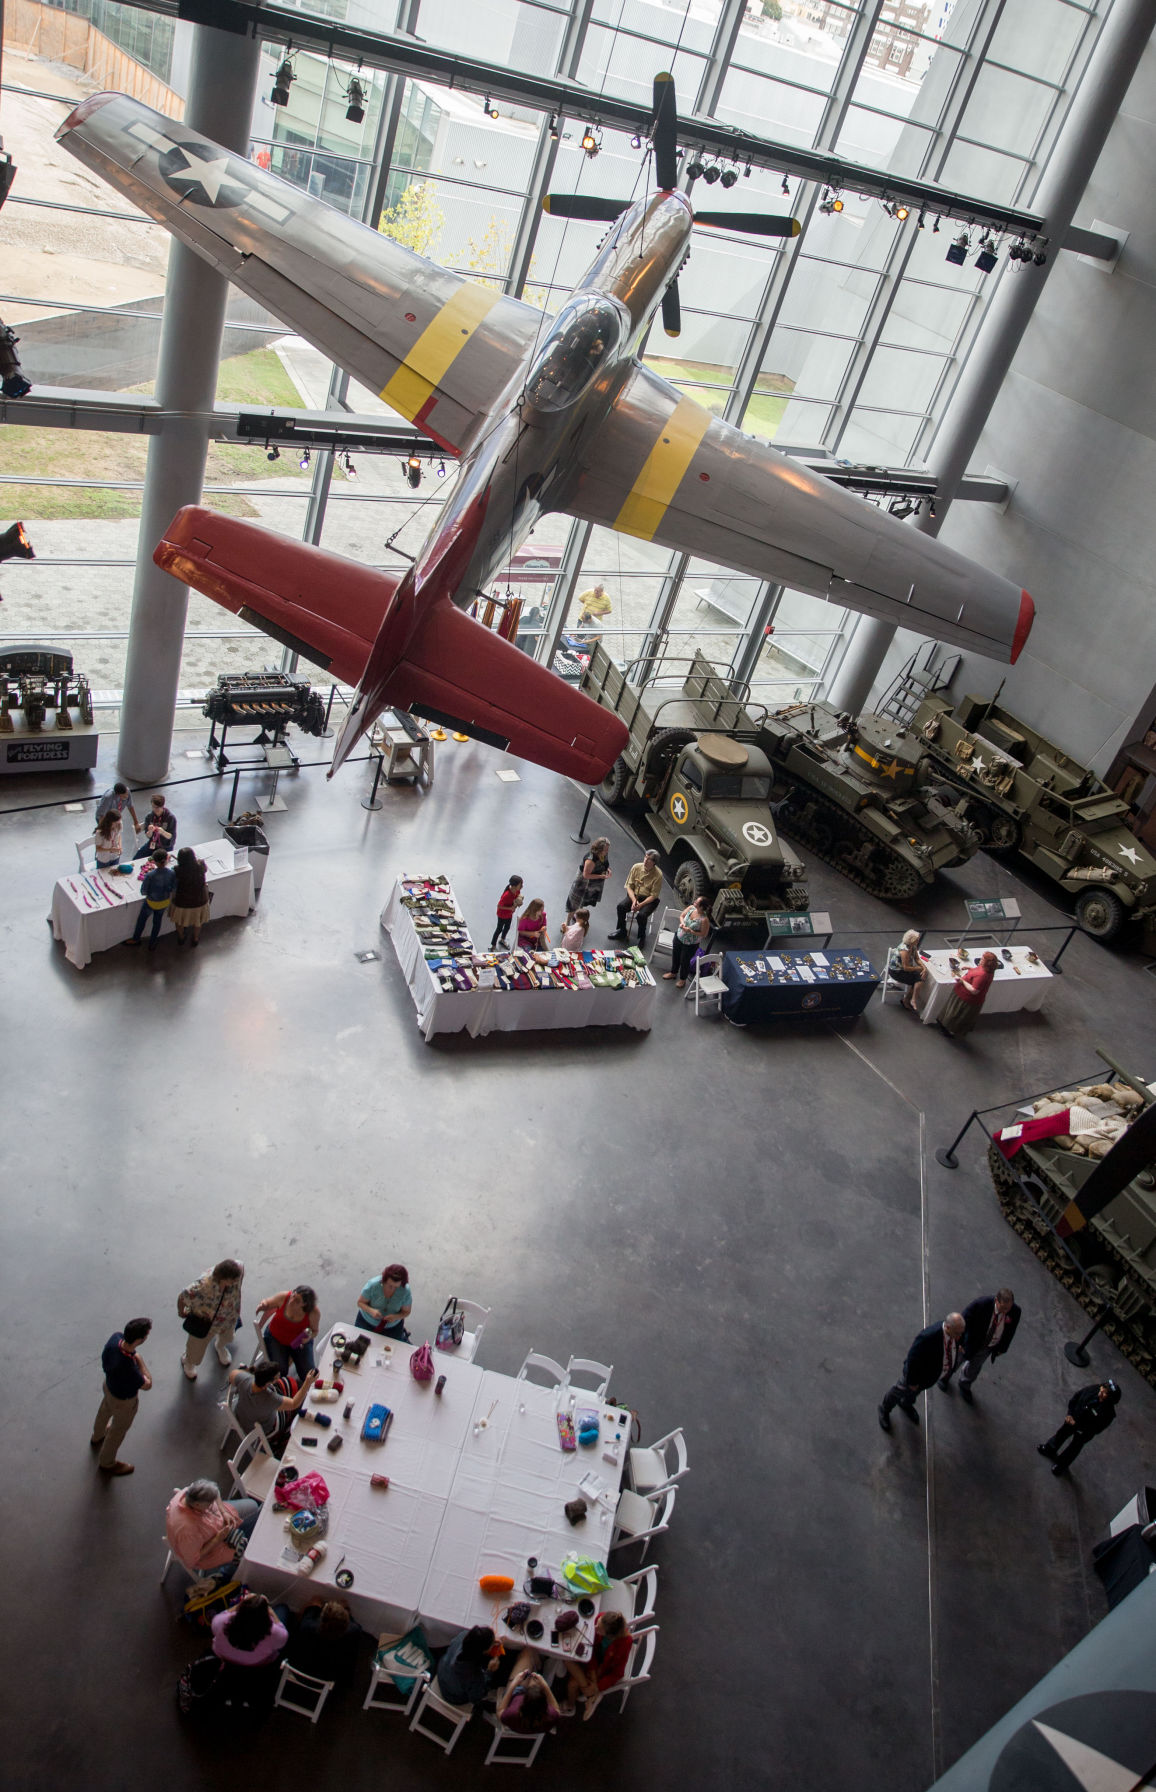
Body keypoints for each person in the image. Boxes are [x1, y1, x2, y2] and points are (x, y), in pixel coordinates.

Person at [879, 1313, 965, 1431]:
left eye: (961, 1333)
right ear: (948, 1328)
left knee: (915, 1393)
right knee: (899, 1390)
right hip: (915, 1377)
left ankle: (906, 1404)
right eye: (957, 1333)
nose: (960, 1337)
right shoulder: (929, 1337)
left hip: (927, 1378)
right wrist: (913, 1382)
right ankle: (884, 1409)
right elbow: (913, 1358)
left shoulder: (953, 1335)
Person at [91, 1317, 152, 1475]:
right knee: (118, 1430)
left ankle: (97, 1435)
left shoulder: (115, 1338)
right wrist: (139, 1360)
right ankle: (107, 1462)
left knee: (104, 1410)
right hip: (123, 1401)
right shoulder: (128, 1366)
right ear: (139, 1340)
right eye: (146, 1335)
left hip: (109, 1387)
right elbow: (147, 1384)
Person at [939, 1288, 1021, 1404]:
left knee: (975, 1365)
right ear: (996, 1301)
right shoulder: (982, 1304)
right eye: (1003, 1308)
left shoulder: (1015, 1311)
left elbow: (1011, 1331)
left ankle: (965, 1384)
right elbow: (964, 1320)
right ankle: (945, 1376)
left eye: (1008, 1308)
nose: (1006, 1312)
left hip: (989, 1345)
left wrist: (1002, 1348)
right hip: (972, 1340)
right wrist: (960, 1342)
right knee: (957, 1359)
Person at [165, 1479, 261, 1577]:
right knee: (246, 1552)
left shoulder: (191, 1492)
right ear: (197, 1504)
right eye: (209, 1504)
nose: (212, 1505)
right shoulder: (187, 1531)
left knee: (252, 1505)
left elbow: (215, 1492)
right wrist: (217, 1539)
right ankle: (227, 1573)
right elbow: (192, 1561)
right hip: (211, 1548)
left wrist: (224, 1512)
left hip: (217, 1522)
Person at [178, 1258, 244, 1381]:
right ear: (224, 1278)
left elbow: (240, 1272)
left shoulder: (238, 1269)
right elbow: (183, 1297)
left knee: (228, 1337)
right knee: (195, 1349)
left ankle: (220, 1346)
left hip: (228, 1319)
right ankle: (189, 1361)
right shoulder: (202, 1286)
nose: (236, 1282)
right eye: (233, 1280)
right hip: (205, 1324)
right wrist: (181, 1312)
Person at [1038, 1379, 1121, 1477]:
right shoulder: (1093, 1389)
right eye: (1103, 1389)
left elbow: (1097, 1428)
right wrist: (1070, 1414)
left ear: (1110, 1400)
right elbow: (1077, 1397)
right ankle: (1050, 1448)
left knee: (1074, 1448)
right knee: (1061, 1433)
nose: (1101, 1392)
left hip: (1084, 1432)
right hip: (1073, 1418)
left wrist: (1079, 1429)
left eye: (1105, 1393)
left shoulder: (1108, 1414)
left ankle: (1061, 1465)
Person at [228, 1359, 317, 1444]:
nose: (278, 1378)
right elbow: (294, 1403)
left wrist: (247, 1372)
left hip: (242, 1416)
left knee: (286, 1383)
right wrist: (307, 1382)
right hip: (264, 1428)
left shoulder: (245, 1379)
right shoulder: (270, 1398)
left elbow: (232, 1374)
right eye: (276, 1378)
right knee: (293, 1400)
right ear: (267, 1383)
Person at [563, 1610, 631, 1720]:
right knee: (566, 1661)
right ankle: (590, 1695)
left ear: (610, 1636)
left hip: (603, 1669)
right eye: (597, 1624)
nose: (594, 1628)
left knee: (572, 1685)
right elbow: (592, 1649)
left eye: (599, 1629)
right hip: (592, 1662)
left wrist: (598, 1686)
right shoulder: (601, 1618)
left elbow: (618, 1673)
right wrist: (593, 1679)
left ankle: (571, 1706)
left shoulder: (625, 1643)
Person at [288, 1600, 368, 1685]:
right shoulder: (354, 1631)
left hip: (299, 1671)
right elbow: (353, 1624)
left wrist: (315, 1606)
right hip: (329, 1677)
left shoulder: (307, 1626)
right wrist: (345, 1610)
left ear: (320, 1619)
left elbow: (310, 1609)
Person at [255, 1285, 321, 1378]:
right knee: (280, 1371)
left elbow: (315, 1331)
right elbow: (268, 1302)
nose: (292, 1300)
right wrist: (263, 1305)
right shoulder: (283, 1297)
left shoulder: (313, 1312)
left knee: (308, 1374)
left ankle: (292, 1357)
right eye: (293, 1296)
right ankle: (289, 1357)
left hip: (298, 1341)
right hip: (276, 1338)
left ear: (305, 1304)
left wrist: (308, 1337)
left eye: (297, 1301)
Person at [210, 1593, 288, 1669]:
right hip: (256, 1664)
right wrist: (271, 1611)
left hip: (224, 1656)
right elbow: (283, 1639)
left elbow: (224, 1614)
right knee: (282, 1608)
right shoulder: (274, 1632)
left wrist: (242, 1602)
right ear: (266, 1615)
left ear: (239, 1610)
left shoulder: (222, 1621)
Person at [495, 1650, 563, 1735]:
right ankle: (537, 1663)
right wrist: (545, 1686)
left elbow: (500, 1712)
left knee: (527, 1654)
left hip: (515, 1695)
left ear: (523, 1701)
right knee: (532, 1670)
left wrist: (514, 1684)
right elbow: (557, 1710)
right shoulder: (550, 1717)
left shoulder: (512, 1713)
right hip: (531, 1712)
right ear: (544, 1703)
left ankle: (535, 1662)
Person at [938, 950, 1000, 1037]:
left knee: (955, 1016)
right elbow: (977, 970)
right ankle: (944, 1025)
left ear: (987, 963)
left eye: (983, 959)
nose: (981, 960)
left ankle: (948, 1031)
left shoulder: (983, 975)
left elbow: (974, 990)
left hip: (965, 999)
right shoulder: (987, 969)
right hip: (961, 994)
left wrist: (962, 980)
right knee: (951, 1012)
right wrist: (969, 968)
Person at [608, 850, 663, 948]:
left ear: (654, 862)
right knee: (621, 907)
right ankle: (622, 931)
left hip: (649, 899)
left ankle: (642, 936)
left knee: (641, 916)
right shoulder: (636, 867)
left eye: (649, 859)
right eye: (645, 857)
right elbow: (629, 886)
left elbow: (653, 895)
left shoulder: (658, 875)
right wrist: (634, 901)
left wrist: (640, 905)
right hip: (635, 895)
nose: (645, 860)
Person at [125, 851, 177, 950]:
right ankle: (152, 942)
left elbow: (143, 891)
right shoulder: (172, 873)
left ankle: (136, 939)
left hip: (151, 902)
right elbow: (174, 888)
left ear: (154, 862)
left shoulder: (150, 875)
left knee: (142, 920)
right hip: (164, 902)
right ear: (167, 860)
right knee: (157, 923)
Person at [436, 1624, 496, 1708]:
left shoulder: (463, 1635)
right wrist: (489, 1672)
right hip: (452, 1695)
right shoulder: (472, 1673)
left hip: (442, 1671)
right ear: (482, 1650)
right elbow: (476, 1697)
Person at [356, 1264, 413, 1340]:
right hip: (366, 1323)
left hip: (392, 1327)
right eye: (389, 1285)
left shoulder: (405, 1291)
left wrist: (395, 1317)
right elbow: (360, 1303)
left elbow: (406, 1312)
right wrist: (371, 1311)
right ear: (384, 1280)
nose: (392, 1289)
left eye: (396, 1287)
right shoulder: (373, 1285)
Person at [665, 895, 711, 987]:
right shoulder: (691, 908)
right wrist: (682, 923)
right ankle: (673, 972)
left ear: (701, 907)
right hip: (679, 937)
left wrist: (691, 931)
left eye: (696, 902)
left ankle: (683, 979)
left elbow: (704, 934)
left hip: (690, 944)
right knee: (676, 955)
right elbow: (682, 915)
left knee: (684, 961)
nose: (694, 902)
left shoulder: (704, 920)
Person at [169, 846, 210, 946]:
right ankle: (195, 938)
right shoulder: (201, 865)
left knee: (179, 921)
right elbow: (205, 869)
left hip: (182, 902)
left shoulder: (177, 870)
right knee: (198, 921)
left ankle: (181, 937)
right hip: (200, 900)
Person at [566, 837, 611, 920]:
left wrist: (608, 869)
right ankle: (567, 923)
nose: (607, 851)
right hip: (583, 884)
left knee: (583, 902)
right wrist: (601, 876)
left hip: (592, 885)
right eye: (605, 850)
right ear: (599, 849)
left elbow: (605, 863)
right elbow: (585, 875)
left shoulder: (603, 854)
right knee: (574, 904)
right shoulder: (590, 860)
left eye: (608, 849)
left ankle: (577, 915)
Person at [133, 791, 177, 860]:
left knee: (160, 863)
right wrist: (150, 831)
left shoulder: (170, 818)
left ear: (162, 806)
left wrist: (163, 832)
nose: (154, 809)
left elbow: (171, 837)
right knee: (136, 859)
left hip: (165, 846)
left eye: (157, 807)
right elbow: (148, 836)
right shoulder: (149, 816)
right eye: (153, 807)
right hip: (153, 844)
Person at [891, 928, 926, 1012]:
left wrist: (924, 967)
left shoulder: (912, 946)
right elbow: (905, 967)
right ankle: (909, 1000)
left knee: (920, 977)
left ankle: (911, 999)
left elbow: (917, 958)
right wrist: (919, 968)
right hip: (897, 971)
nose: (918, 941)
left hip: (906, 969)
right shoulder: (904, 950)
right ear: (911, 940)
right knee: (918, 980)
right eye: (916, 940)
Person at [491, 875, 524, 949]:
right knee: (499, 929)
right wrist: (510, 908)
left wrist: (519, 899)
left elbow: (518, 896)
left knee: (507, 927)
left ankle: (502, 939)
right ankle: (493, 945)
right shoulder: (506, 895)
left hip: (509, 914)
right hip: (502, 915)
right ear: (515, 886)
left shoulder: (517, 891)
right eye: (520, 884)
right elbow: (499, 906)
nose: (522, 886)